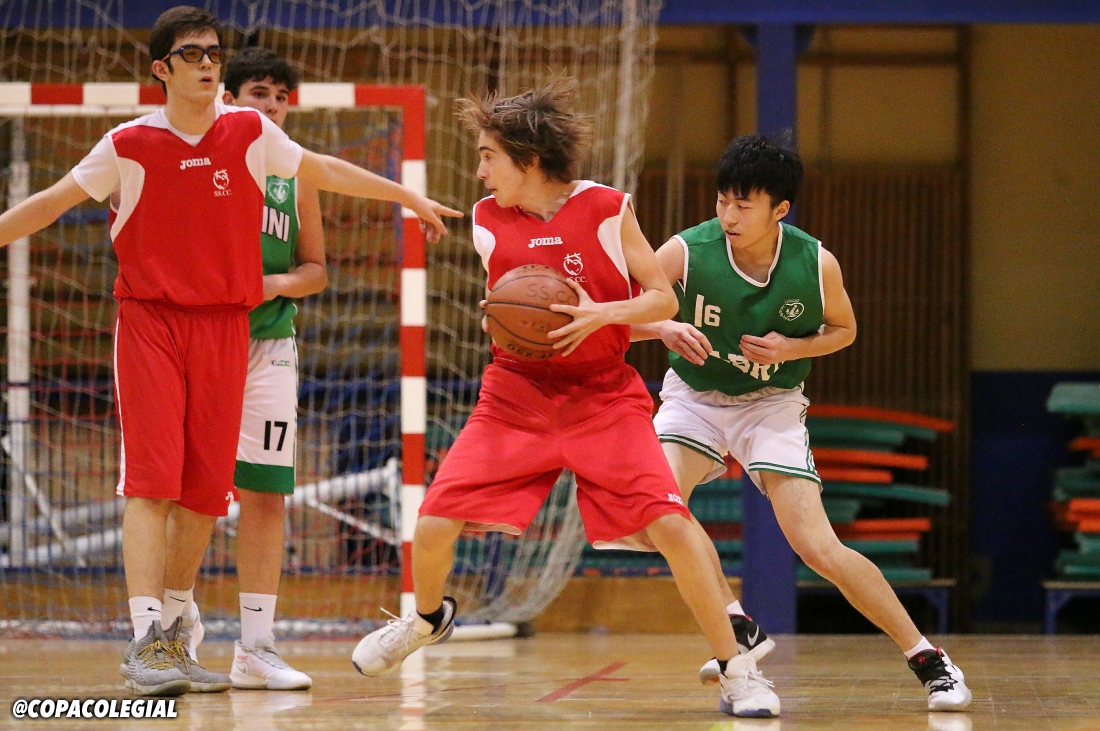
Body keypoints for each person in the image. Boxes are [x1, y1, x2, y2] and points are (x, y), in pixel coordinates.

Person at [0, 6, 460, 697]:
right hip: (152, 323)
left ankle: (174, 630)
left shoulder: (248, 131)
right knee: (152, 484)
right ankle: (145, 639)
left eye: (214, 53)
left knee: (206, 496)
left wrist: (405, 196)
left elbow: (323, 168)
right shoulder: (127, 144)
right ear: (162, 69)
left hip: (227, 327)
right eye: (193, 54)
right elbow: (50, 203)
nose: (209, 64)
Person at [350, 78, 781, 719]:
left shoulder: (607, 208)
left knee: (672, 525)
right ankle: (427, 619)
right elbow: (524, 314)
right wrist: (512, 319)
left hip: (603, 396)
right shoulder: (486, 221)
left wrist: (604, 314)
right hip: (516, 394)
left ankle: (737, 669)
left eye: (488, 156)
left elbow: (661, 298)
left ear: (527, 159)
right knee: (433, 522)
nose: (479, 170)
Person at [633, 133, 973, 712]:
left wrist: (791, 348)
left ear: (780, 209)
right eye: (722, 201)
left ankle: (929, 659)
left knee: (818, 547)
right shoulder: (685, 252)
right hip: (696, 397)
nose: (728, 215)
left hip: (771, 401)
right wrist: (662, 327)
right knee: (658, 513)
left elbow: (845, 330)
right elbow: (621, 314)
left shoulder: (815, 263)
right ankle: (738, 625)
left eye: (743, 205)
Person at [164, 47, 322, 691]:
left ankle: (256, 648)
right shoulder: (199, 161)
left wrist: (272, 283)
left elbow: (316, 270)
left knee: (266, 493)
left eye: (282, 96)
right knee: (190, 491)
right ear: (227, 97)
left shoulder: (297, 173)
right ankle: (173, 624)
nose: (274, 105)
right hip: (199, 342)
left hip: (269, 346)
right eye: (261, 92)